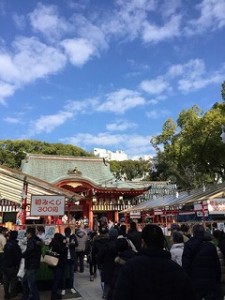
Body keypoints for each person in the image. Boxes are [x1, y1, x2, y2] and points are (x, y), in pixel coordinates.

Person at [113, 224, 195, 300]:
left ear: (143, 242)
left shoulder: (130, 267)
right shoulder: (177, 269)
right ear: (163, 243)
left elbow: (120, 295)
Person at [182, 224, 221, 300]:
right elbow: (217, 265)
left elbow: (186, 265)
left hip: (194, 282)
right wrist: (217, 281)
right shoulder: (211, 246)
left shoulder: (188, 245)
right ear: (203, 232)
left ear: (193, 233)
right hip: (210, 282)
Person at [21, 227, 42, 300]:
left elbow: (29, 251)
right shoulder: (37, 240)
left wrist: (21, 255)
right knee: (25, 281)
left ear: (29, 233)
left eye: (26, 233)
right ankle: (26, 296)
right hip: (35, 264)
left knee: (31, 284)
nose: (26, 235)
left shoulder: (31, 241)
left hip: (31, 265)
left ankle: (35, 298)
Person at [98, 228, 118, 299]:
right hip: (117, 269)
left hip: (107, 268)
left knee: (107, 286)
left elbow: (100, 257)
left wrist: (100, 266)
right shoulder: (121, 245)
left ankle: (106, 296)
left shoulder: (106, 245)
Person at [2, 230, 22, 299]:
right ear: (16, 236)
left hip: (5, 265)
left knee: (6, 280)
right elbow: (18, 257)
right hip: (12, 266)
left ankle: (6, 294)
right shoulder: (16, 246)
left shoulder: (7, 244)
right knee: (13, 280)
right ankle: (13, 294)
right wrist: (17, 265)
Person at [49, 233, 67, 300]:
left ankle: (54, 294)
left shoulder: (52, 242)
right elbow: (63, 251)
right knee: (57, 280)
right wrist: (65, 245)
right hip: (59, 263)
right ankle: (53, 296)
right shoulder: (60, 244)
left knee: (56, 279)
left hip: (53, 262)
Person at [61, 227, 78, 296]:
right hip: (65, 259)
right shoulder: (63, 238)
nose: (67, 235)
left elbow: (76, 244)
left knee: (71, 274)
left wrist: (71, 244)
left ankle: (71, 287)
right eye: (66, 234)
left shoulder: (73, 237)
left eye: (68, 234)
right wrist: (65, 245)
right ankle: (63, 288)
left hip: (72, 258)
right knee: (64, 274)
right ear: (65, 233)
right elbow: (61, 247)